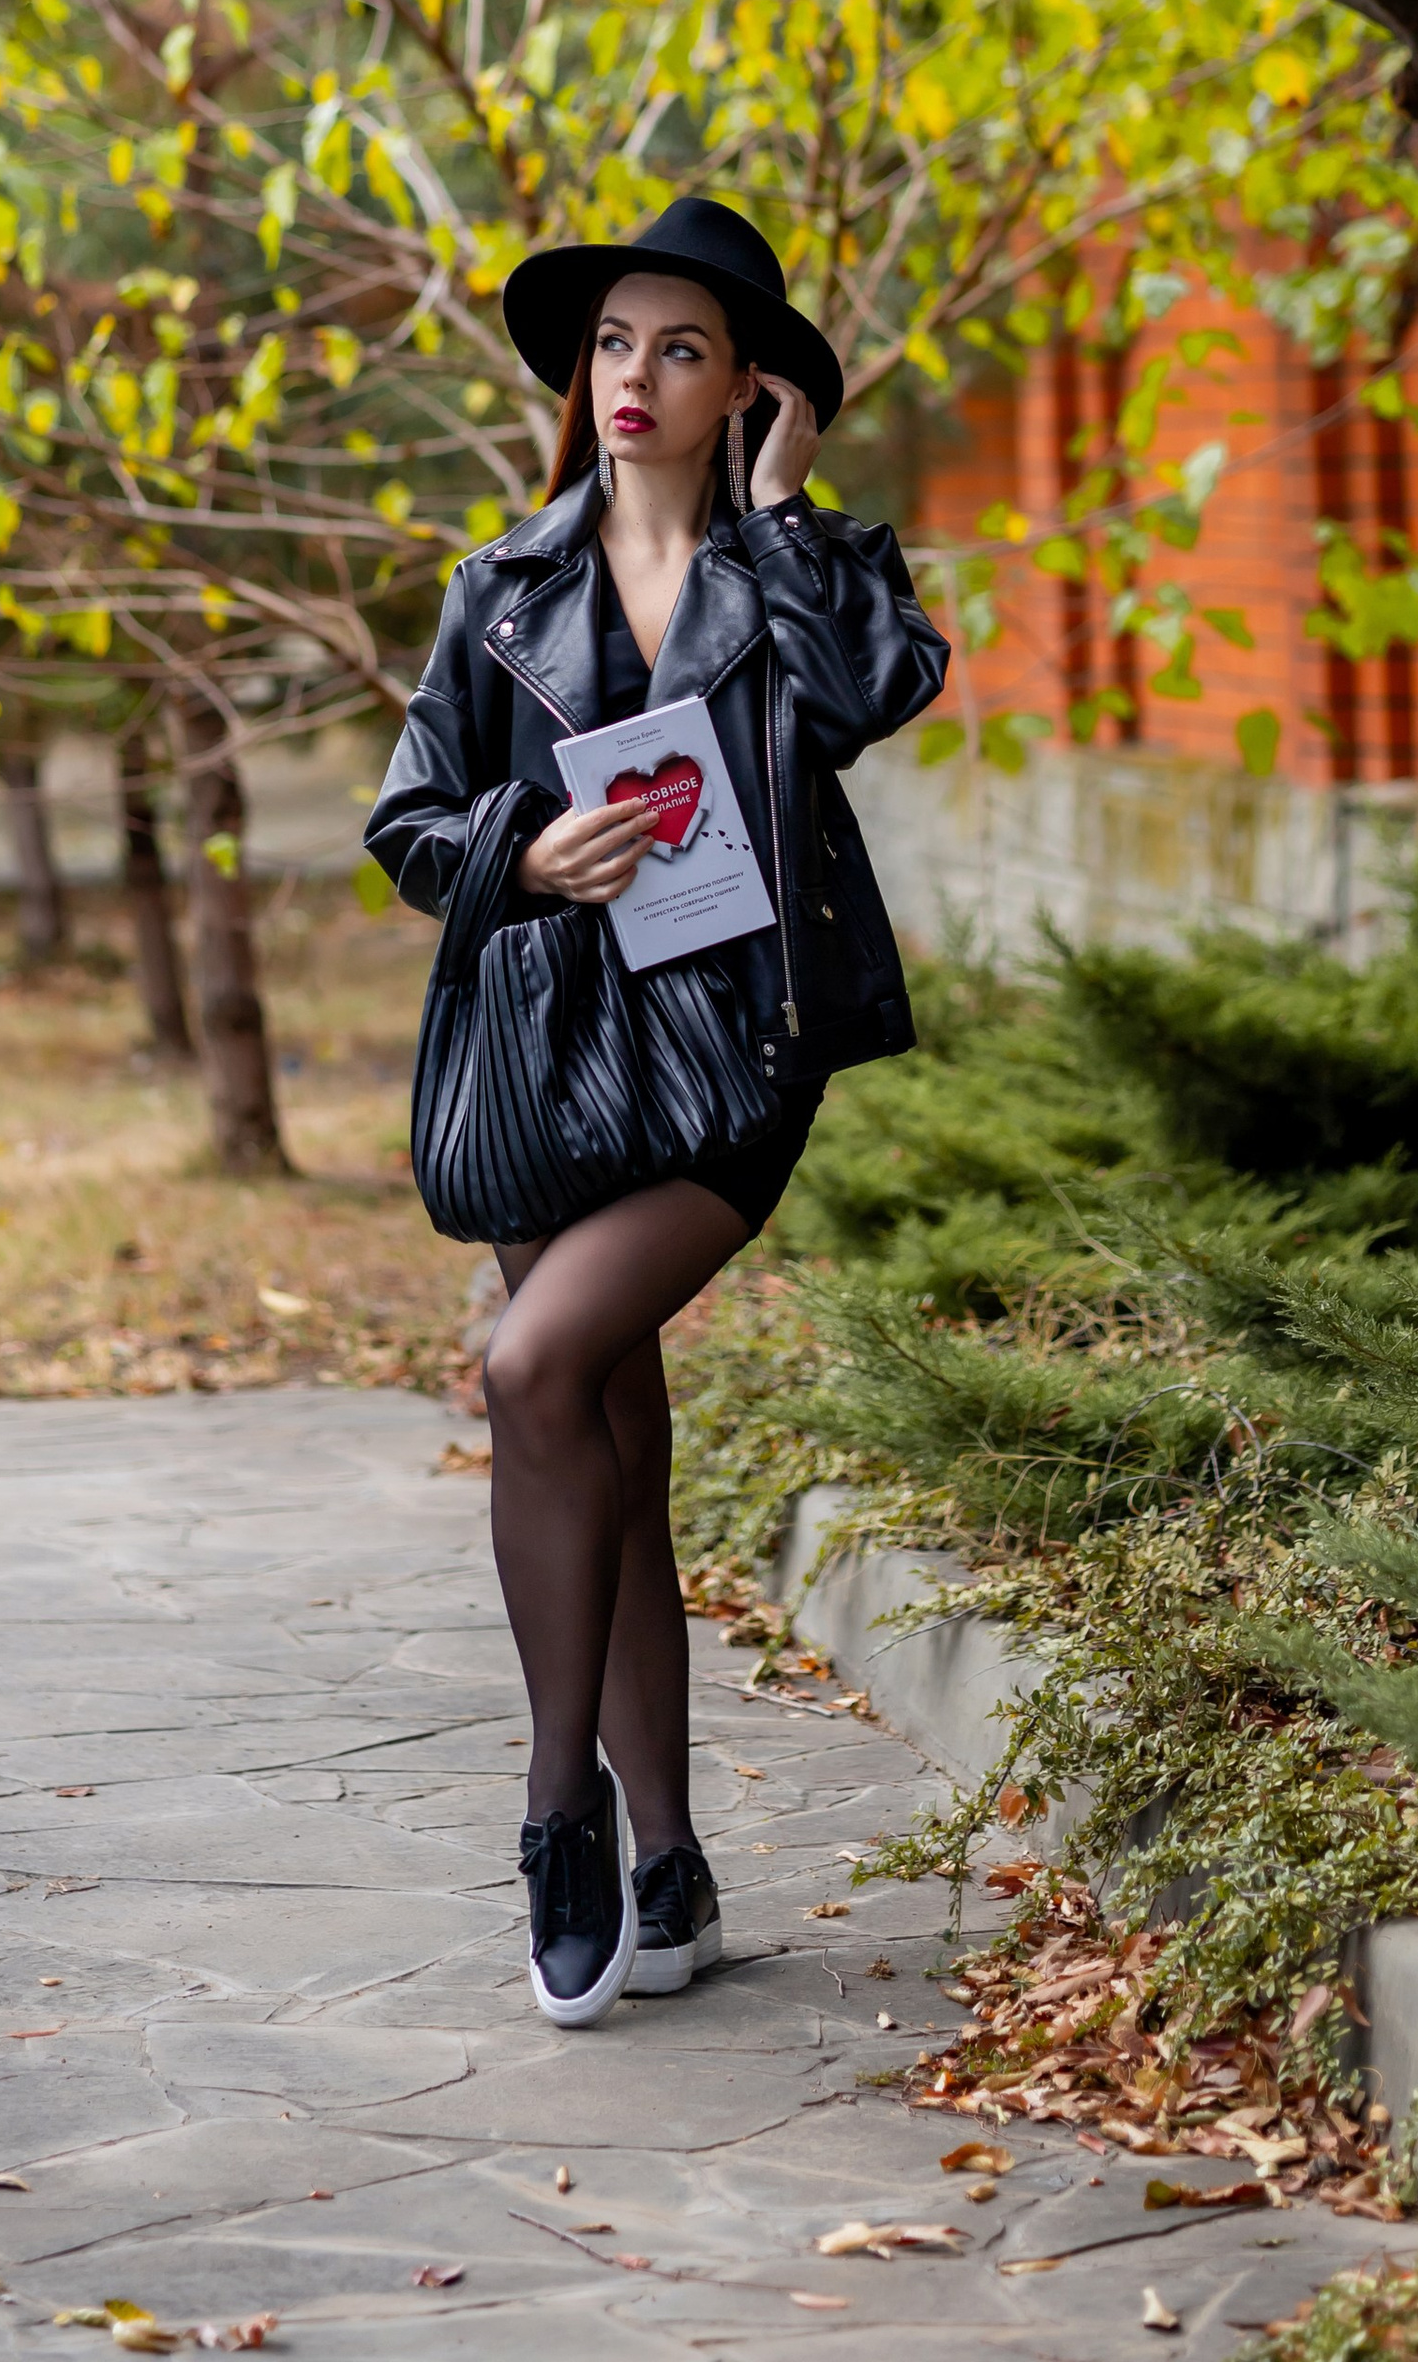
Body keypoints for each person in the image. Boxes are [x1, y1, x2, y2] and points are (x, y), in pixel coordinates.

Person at [366, 198, 949, 2027]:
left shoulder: (809, 567)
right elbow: (406, 825)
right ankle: (675, 1871)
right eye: (615, 344)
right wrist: (521, 856)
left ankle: (560, 1813)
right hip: (552, 1048)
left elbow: (874, 694)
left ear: (743, 386)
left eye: (681, 349)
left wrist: (782, 508)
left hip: (735, 1058)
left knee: (533, 1372)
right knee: (610, 1428)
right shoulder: (503, 587)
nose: (635, 376)